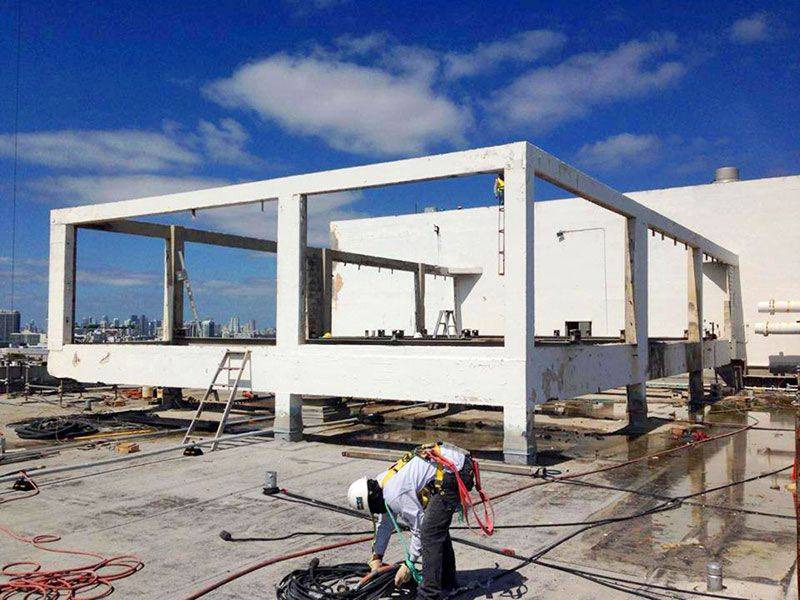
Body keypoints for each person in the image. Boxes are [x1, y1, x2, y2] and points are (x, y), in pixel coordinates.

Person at [347, 442, 474, 598]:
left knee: (430, 531)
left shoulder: (394, 493)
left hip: (457, 471)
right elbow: (384, 523)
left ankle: (429, 594)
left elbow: (419, 528)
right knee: (435, 526)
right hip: (451, 466)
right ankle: (447, 582)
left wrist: (409, 563)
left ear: (372, 498)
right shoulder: (382, 484)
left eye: (372, 508)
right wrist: (377, 556)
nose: (375, 511)